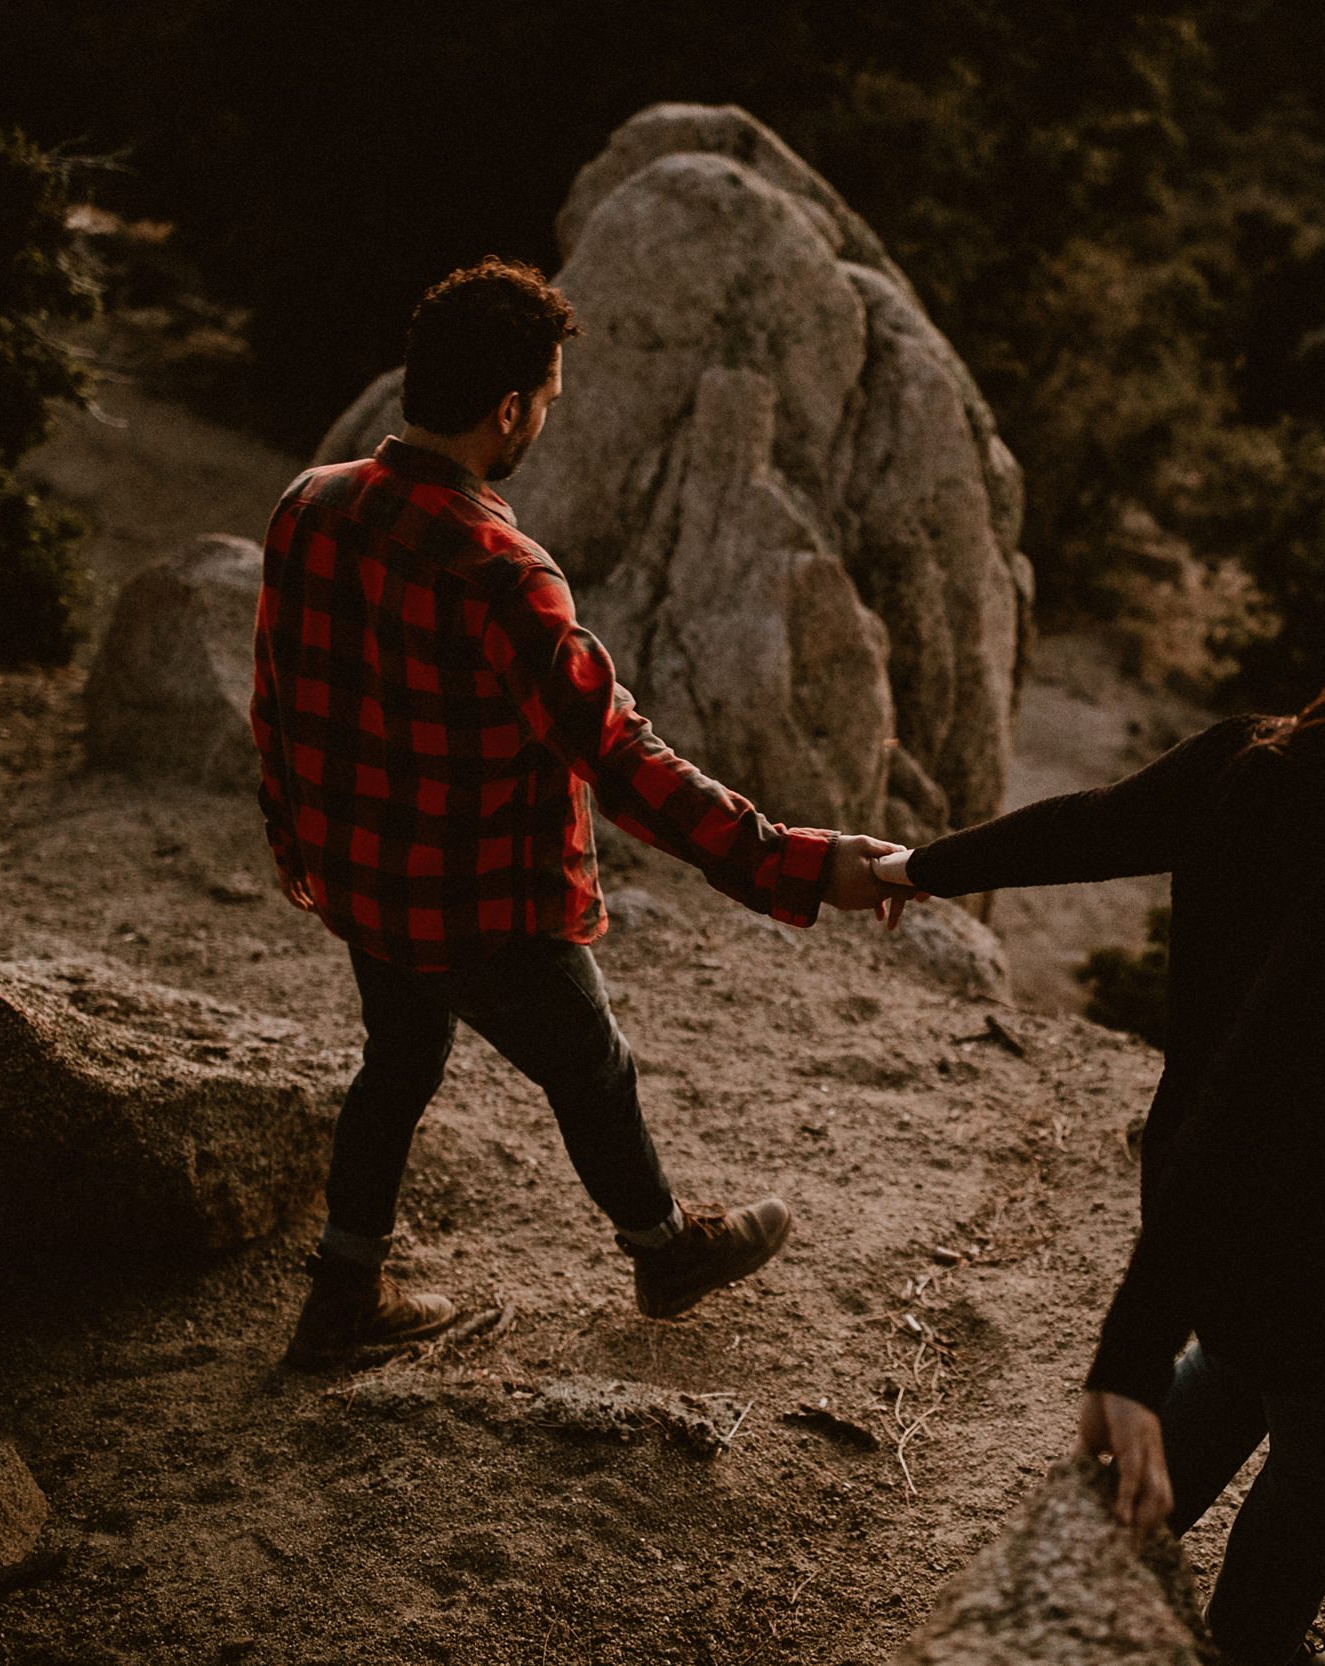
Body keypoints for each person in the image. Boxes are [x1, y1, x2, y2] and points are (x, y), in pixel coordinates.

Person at [880, 578, 1325, 1666]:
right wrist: (1126, 1357)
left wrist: (923, 865)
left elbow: (1092, 827)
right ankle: (1248, 1644)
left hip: (1216, 1227)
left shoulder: (1251, 762)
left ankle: (1058, 1601)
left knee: (1236, 1368)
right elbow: (1260, 1098)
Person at [252, 257, 904, 1368]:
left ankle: (345, 1290)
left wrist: (294, 843)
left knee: (398, 1060)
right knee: (590, 1065)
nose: (544, 419)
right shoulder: (502, 570)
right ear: (508, 409)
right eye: (546, 401)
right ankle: (663, 1248)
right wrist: (801, 861)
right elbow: (621, 757)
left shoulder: (309, 501)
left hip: (363, 879)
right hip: (482, 904)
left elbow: (277, 697)